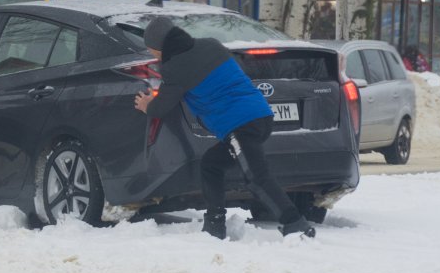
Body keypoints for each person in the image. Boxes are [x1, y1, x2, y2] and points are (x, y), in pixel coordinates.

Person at [133, 16, 316, 240]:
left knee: (257, 178)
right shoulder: (211, 44)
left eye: (153, 50)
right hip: (261, 115)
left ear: (161, 46)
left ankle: (295, 224)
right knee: (212, 164)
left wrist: (146, 105)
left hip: (241, 124)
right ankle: (214, 225)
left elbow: (161, 107)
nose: (154, 55)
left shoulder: (175, 67)